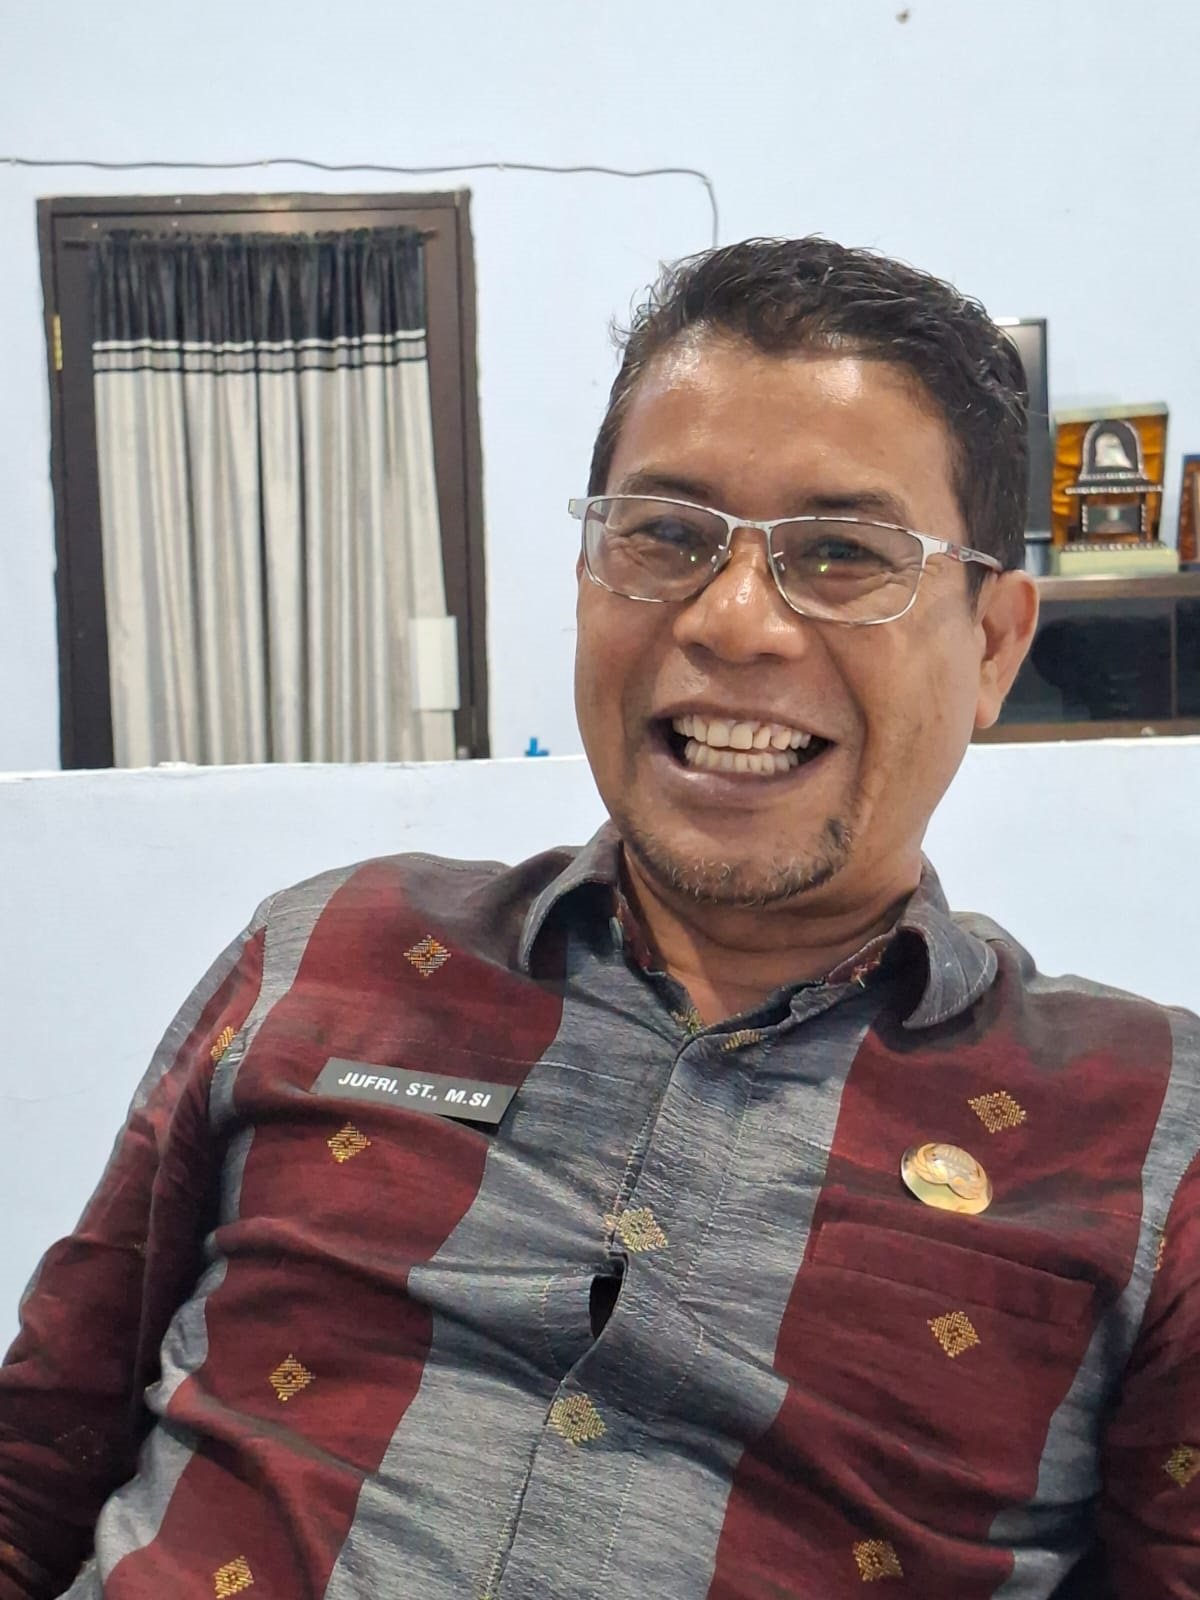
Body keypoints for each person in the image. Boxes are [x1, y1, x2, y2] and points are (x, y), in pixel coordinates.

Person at [1, 237, 1197, 1600]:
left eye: (841, 554)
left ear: (993, 645)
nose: (735, 622)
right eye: (668, 536)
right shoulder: (329, 951)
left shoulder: (1145, 1131)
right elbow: (36, 1459)